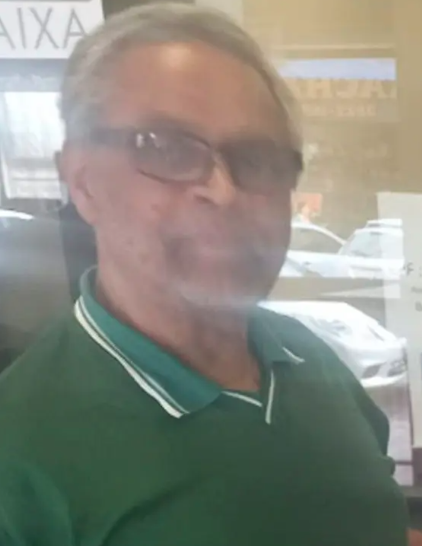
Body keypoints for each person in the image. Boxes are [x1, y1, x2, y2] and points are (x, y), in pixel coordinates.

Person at [0, 3, 409, 545]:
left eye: (256, 158)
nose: (223, 191)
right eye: (166, 148)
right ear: (82, 180)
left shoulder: (311, 361)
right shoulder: (18, 456)